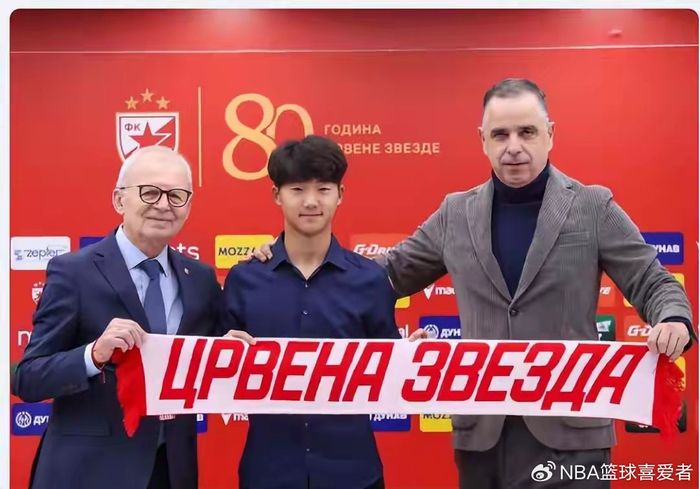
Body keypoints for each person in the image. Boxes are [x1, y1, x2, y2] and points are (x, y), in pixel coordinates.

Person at [251, 79, 695, 489]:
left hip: (572, 433)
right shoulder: (456, 213)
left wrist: (673, 317)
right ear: (483, 140)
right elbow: (381, 277)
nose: (514, 147)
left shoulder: (593, 206)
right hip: (482, 437)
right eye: (500, 135)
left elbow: (652, 279)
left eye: (527, 132)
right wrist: (291, 263)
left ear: (550, 134)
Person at [13, 145, 253, 489]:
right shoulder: (74, 273)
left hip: (171, 471)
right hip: (88, 473)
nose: (164, 205)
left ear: (188, 207)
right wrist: (93, 355)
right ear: (119, 200)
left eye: (177, 195)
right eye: (150, 192)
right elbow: (27, 378)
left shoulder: (200, 278)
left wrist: (226, 349)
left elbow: (208, 359)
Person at [223, 135, 422, 489]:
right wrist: (220, 352)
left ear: (340, 194)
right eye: (297, 189)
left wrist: (413, 360)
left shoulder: (370, 280)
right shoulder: (244, 279)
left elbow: (390, 374)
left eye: (324, 189)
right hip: (268, 473)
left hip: (354, 474)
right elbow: (215, 375)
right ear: (277, 195)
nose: (311, 201)